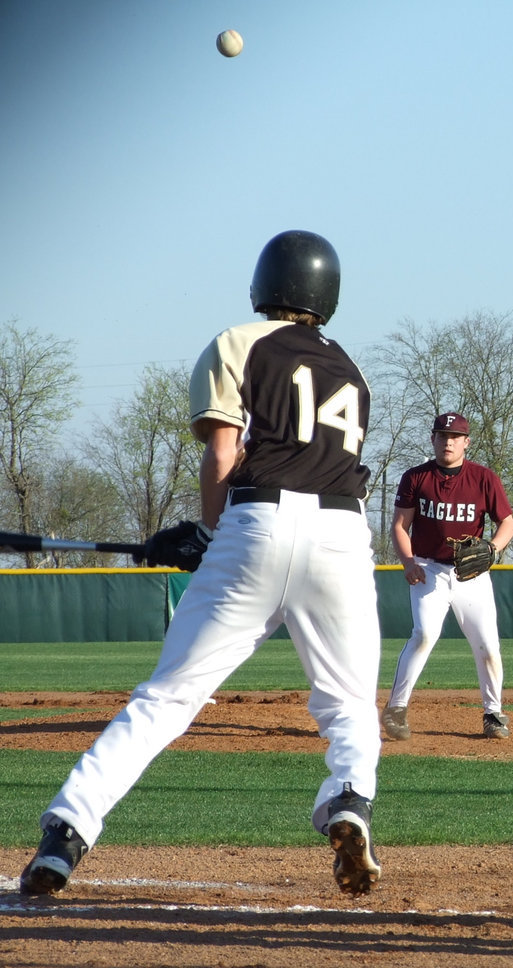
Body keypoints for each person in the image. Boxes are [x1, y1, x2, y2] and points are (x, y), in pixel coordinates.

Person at [20, 230, 384, 898]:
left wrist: (211, 531)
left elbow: (223, 456)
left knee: (165, 700)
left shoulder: (238, 342)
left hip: (259, 522)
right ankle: (351, 801)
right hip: (342, 532)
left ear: (265, 284)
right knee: (351, 704)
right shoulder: (352, 372)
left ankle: (65, 834)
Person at [382, 412, 513, 740]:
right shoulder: (416, 477)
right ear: (433, 439)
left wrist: (494, 549)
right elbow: (400, 525)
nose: (449, 441)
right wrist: (408, 561)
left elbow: (507, 522)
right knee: (425, 634)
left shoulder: (484, 478)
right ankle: (396, 708)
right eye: (443, 435)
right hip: (429, 567)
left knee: (487, 644)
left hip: (471, 573)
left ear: (466, 442)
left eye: (455, 436)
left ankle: (493, 714)